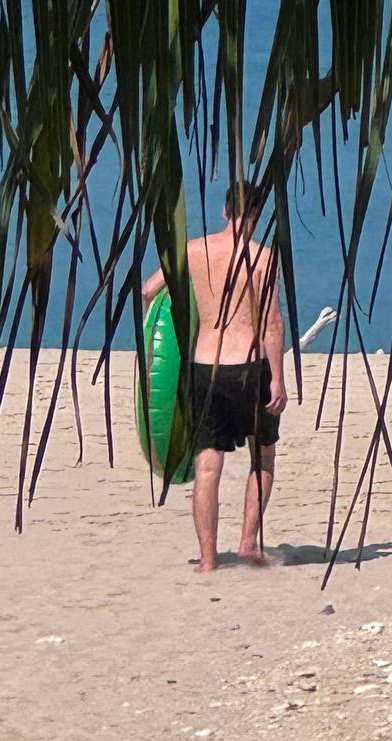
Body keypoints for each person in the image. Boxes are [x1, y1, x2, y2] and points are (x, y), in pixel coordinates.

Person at [142, 182, 287, 572]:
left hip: (206, 369)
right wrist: (277, 380)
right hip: (251, 369)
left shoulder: (193, 251)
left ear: (225, 211)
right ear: (257, 214)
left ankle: (207, 560)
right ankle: (247, 543)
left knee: (208, 466)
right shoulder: (263, 258)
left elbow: (148, 291)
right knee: (263, 457)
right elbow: (272, 323)